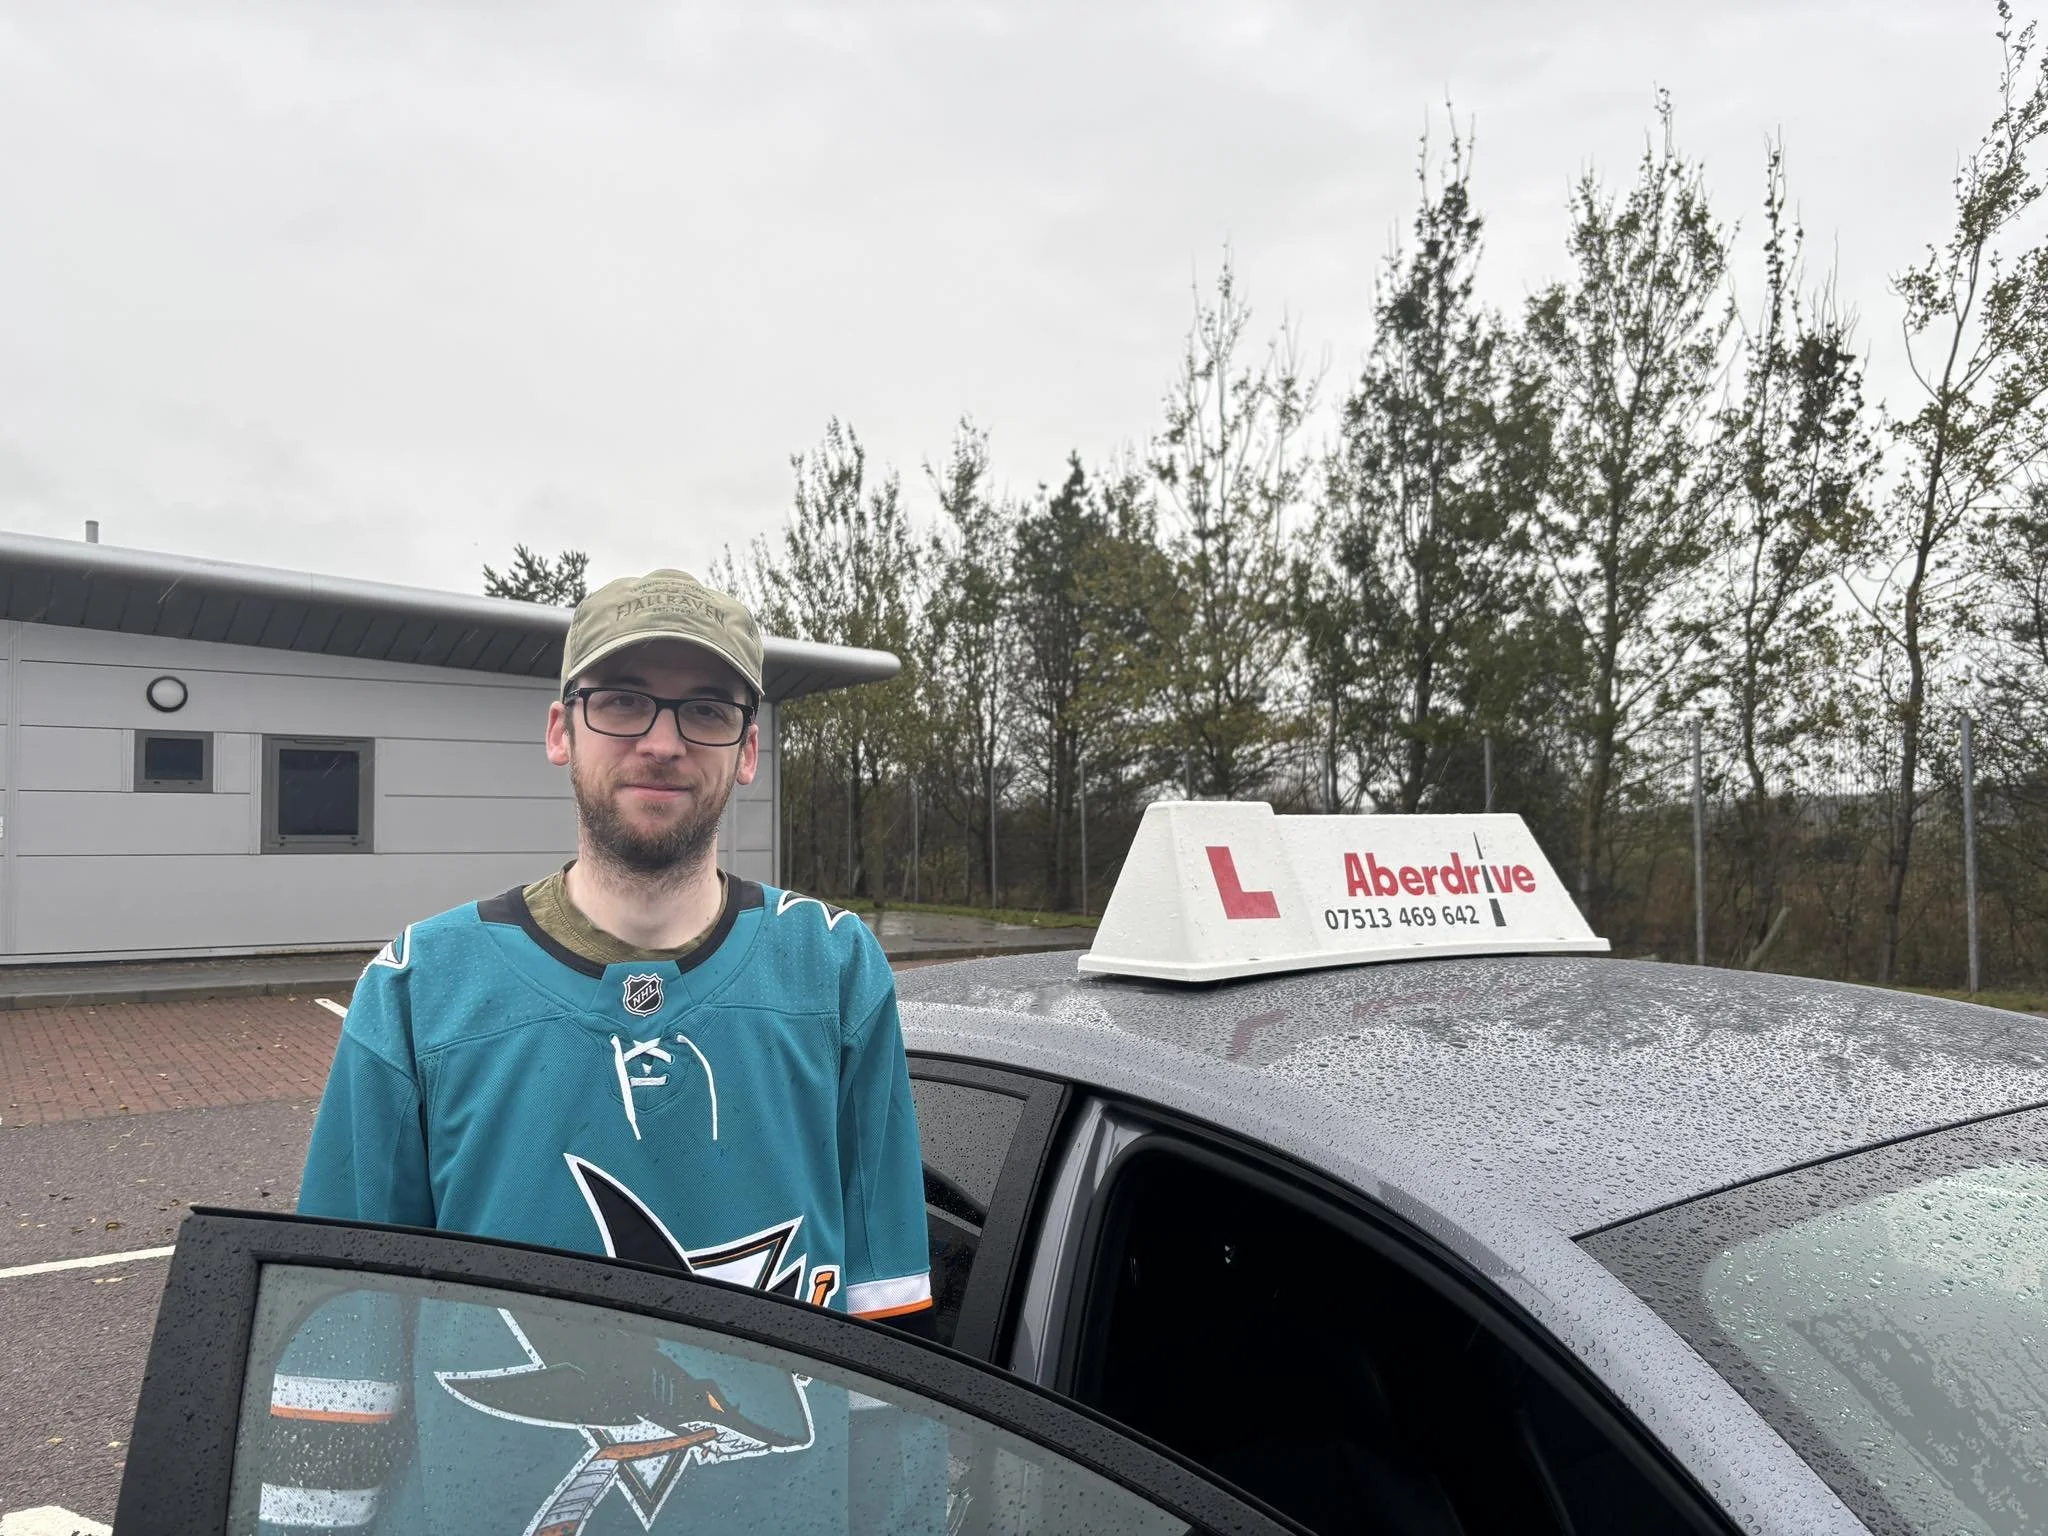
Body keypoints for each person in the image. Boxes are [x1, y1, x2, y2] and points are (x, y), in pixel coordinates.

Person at [270, 569, 937, 1534]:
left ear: (748, 750)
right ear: (560, 731)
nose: (662, 740)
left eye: (705, 709)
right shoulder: (419, 983)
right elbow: (343, 1325)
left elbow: (886, 1309)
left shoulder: (832, 969)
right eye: (621, 700)